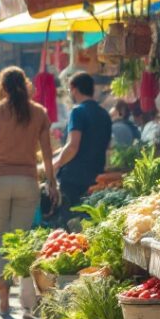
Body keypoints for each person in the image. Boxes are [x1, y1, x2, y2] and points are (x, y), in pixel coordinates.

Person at [0, 68, 59, 315]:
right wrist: (51, 182)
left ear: (2, 86)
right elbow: (46, 153)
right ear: (26, 84)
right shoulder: (39, 113)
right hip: (27, 181)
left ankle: (3, 297)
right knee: (20, 241)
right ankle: (25, 295)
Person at [54, 73, 112, 216]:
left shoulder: (77, 112)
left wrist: (57, 163)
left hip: (74, 178)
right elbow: (107, 145)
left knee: (71, 226)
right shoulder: (104, 114)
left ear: (74, 89)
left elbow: (73, 146)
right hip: (96, 176)